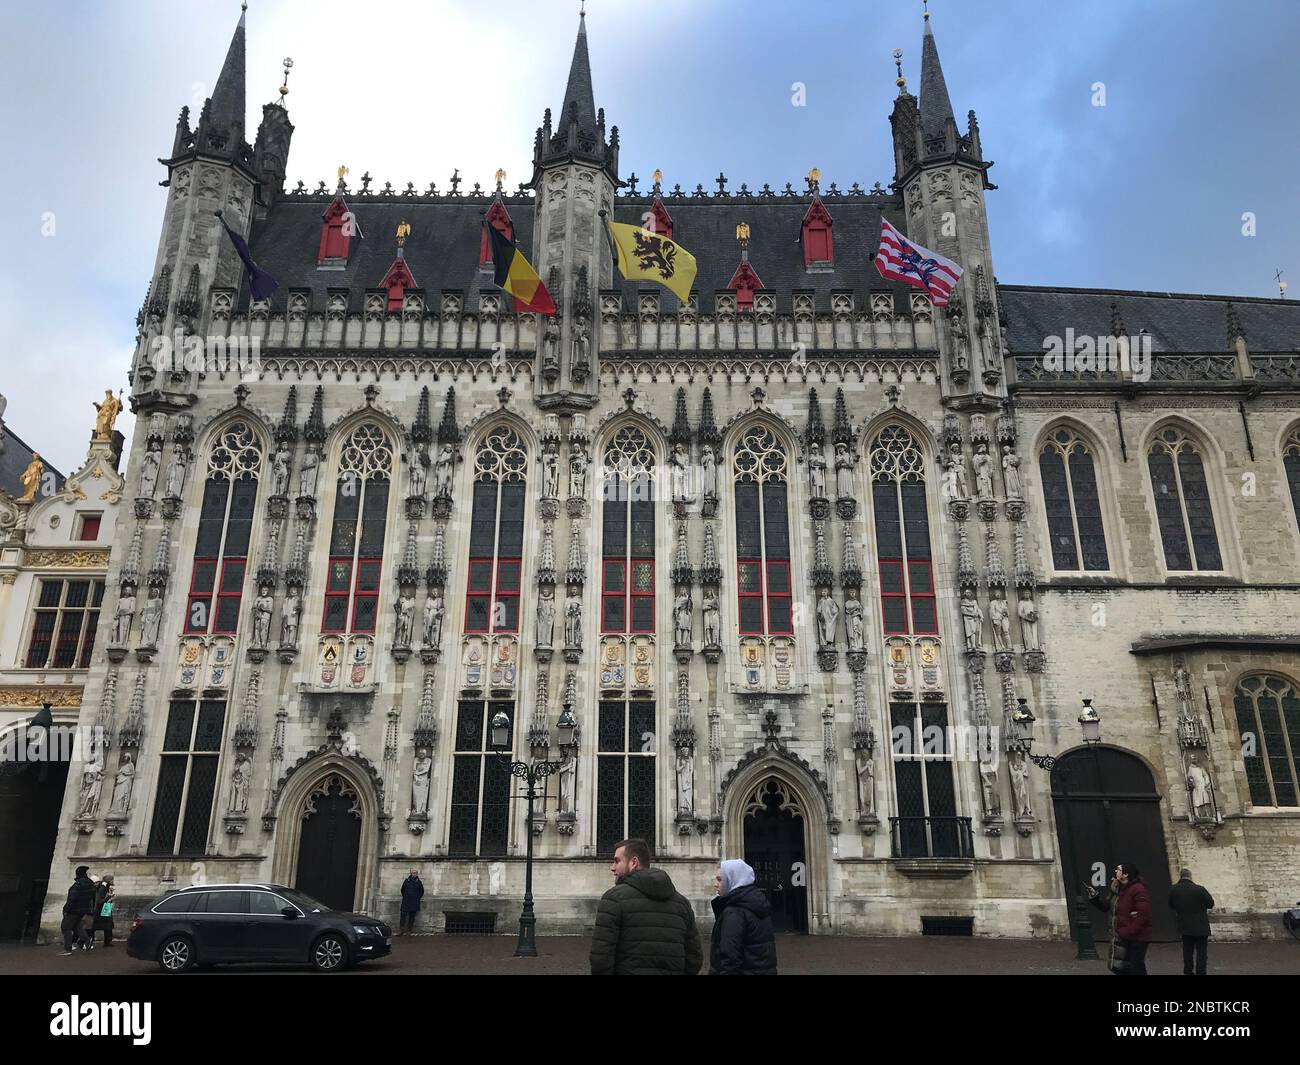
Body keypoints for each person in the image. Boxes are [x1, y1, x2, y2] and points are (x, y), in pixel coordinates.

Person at [590, 839, 702, 976]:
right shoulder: (682, 903)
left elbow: (601, 958)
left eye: (617, 861)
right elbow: (694, 957)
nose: (612, 867)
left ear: (634, 863)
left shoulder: (613, 899)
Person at [709, 859, 778, 975]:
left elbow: (730, 959)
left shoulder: (734, 912)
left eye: (720, 879)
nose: (715, 884)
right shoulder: (757, 903)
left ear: (732, 879)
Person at [1087, 862, 1152, 975]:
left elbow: (1143, 915)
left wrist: (1128, 931)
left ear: (1126, 874)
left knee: (1136, 966)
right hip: (1121, 936)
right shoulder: (1117, 888)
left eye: (1119, 870)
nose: (1116, 871)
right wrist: (1095, 898)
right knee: (1121, 967)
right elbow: (1106, 906)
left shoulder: (1138, 889)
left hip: (1137, 937)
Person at [1168, 867, 1215, 976]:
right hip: (1201, 925)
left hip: (1184, 924)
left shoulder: (1173, 889)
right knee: (1201, 952)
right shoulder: (1199, 889)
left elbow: (1171, 904)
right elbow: (1210, 904)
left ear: (1180, 876)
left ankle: (1188, 971)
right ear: (1190, 876)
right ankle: (1201, 972)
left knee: (1187, 951)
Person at [59, 866, 96, 955]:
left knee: (66, 927)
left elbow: (72, 898)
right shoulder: (90, 885)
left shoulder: (78, 884)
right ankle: (87, 941)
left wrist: (66, 909)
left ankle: (68, 949)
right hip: (83, 909)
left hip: (74, 909)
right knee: (76, 926)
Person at [92, 874, 116, 947]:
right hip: (103, 908)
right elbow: (99, 901)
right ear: (108, 880)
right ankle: (88, 940)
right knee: (101, 925)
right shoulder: (103, 888)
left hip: (106, 907)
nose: (113, 881)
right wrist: (109, 897)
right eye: (111, 880)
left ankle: (107, 941)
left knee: (108, 926)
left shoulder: (106, 887)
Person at [399, 869, 424, 935]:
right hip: (406, 901)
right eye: (413, 873)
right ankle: (402, 929)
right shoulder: (407, 881)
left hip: (414, 902)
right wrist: (406, 896)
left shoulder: (419, 882)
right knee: (403, 915)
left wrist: (417, 898)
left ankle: (410, 929)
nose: (414, 874)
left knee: (412, 917)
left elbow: (421, 891)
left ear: (417, 874)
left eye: (415, 873)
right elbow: (402, 890)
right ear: (411, 873)